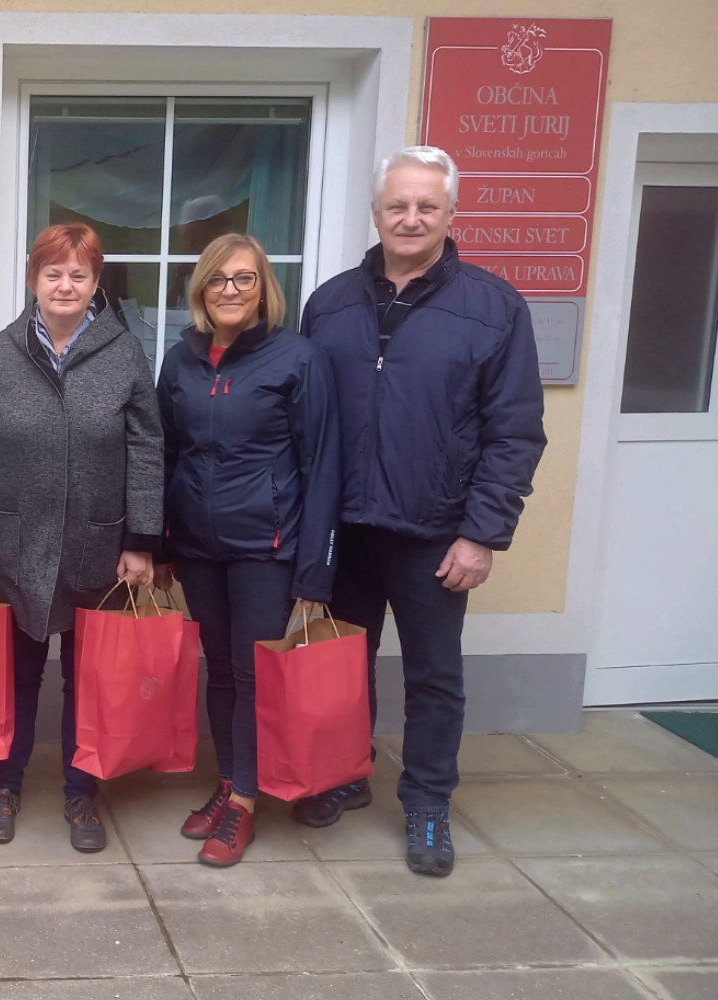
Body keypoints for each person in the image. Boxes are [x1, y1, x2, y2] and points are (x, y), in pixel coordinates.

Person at [298, 146, 546, 877]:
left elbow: (514, 432)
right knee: (342, 666)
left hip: (435, 531)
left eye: (426, 206)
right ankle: (346, 772)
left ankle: (428, 800)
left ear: (450, 213)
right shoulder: (330, 304)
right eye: (397, 206)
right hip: (346, 528)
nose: (411, 218)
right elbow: (305, 420)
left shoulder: (493, 307)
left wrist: (482, 533)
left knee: (434, 676)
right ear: (376, 213)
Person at [0, 221, 164, 853]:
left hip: (97, 543)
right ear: (33, 279)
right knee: (15, 674)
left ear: (96, 282)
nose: (65, 285)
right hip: (15, 542)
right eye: (53, 273)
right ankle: (5, 785)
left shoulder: (123, 352)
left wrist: (141, 539)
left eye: (79, 274)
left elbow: (147, 447)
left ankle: (81, 791)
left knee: (88, 676)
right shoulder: (3, 350)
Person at [153, 233, 341, 867]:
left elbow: (322, 467)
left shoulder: (298, 359)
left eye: (244, 278)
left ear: (263, 288)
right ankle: (231, 781)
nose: (230, 290)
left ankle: (246, 803)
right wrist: (161, 544)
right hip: (199, 548)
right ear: (200, 290)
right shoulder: (180, 361)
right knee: (221, 670)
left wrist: (315, 569)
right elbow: (166, 455)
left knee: (254, 674)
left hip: (267, 546)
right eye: (217, 279)